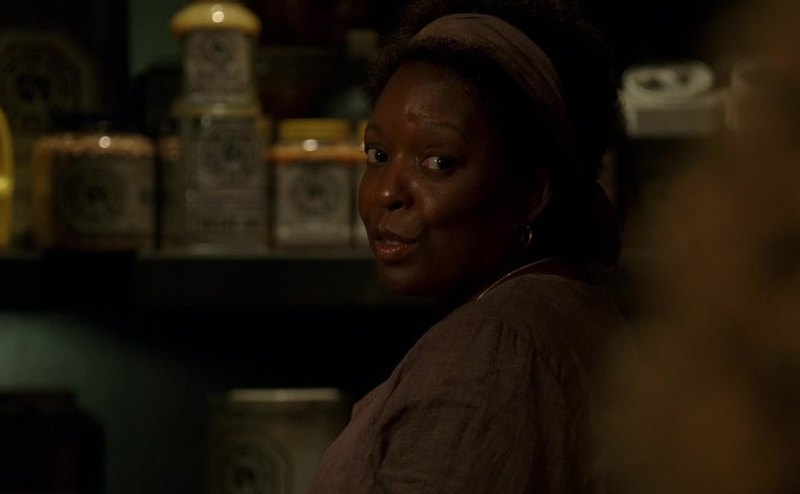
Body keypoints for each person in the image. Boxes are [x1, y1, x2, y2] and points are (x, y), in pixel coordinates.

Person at [307, 0, 628, 492]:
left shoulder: (494, 350)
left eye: (439, 162)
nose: (388, 193)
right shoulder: (565, 308)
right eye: (378, 154)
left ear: (531, 192)